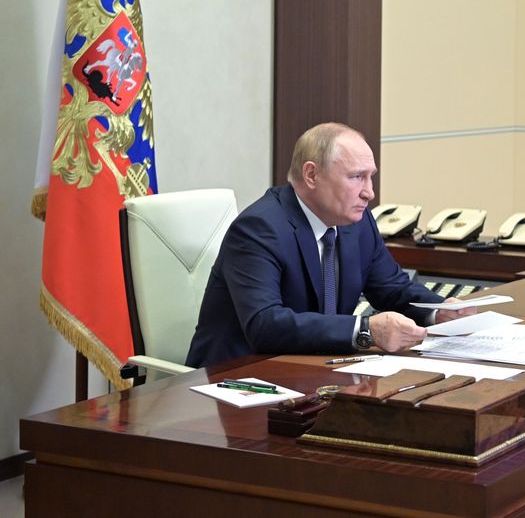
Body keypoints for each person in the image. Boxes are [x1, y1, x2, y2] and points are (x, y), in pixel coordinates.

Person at [186, 123, 474, 368]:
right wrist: (366, 330)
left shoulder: (357, 223)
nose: (369, 192)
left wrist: (439, 312)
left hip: (314, 372)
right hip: (236, 381)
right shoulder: (259, 229)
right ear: (312, 175)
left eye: (370, 176)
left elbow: (391, 288)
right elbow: (265, 325)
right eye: (356, 177)